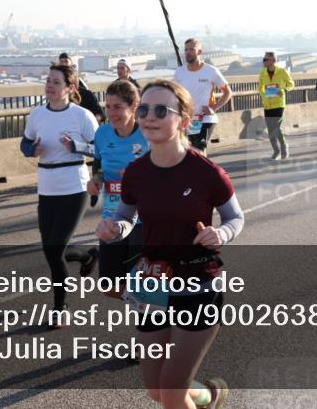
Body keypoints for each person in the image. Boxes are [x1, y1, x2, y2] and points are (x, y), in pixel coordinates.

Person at [97, 79, 244, 409]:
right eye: (145, 109)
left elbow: (236, 218)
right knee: (157, 390)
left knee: (172, 393)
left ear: (185, 120)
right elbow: (125, 217)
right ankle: (209, 395)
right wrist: (114, 229)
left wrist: (220, 234)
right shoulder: (135, 172)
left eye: (162, 110)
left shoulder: (207, 173)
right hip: (152, 285)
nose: (150, 117)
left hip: (197, 284)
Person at [20, 63, 99, 326]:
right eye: (48, 81)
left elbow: (100, 149)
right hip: (47, 185)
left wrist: (76, 146)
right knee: (51, 249)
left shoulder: (81, 116)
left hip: (74, 186)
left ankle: (60, 306)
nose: (49, 86)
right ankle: (87, 256)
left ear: (70, 88)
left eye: (55, 82)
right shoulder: (37, 115)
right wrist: (32, 150)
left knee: (54, 251)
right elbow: (25, 142)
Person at [66, 79, 148, 289]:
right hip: (112, 218)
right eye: (108, 107)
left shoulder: (148, 135)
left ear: (134, 106)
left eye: (118, 107)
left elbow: (165, 175)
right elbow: (100, 168)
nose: (111, 113)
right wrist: (96, 180)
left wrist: (136, 178)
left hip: (144, 220)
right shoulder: (102, 133)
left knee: (142, 286)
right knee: (110, 286)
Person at [173, 38, 232, 155]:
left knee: (199, 151)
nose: (188, 52)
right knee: (187, 151)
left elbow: (227, 92)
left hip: (205, 118)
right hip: (188, 119)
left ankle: (203, 172)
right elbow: (174, 94)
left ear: (200, 52)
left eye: (191, 49)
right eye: (186, 50)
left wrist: (214, 108)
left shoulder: (211, 71)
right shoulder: (179, 72)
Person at [258, 51, 295, 161]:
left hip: (279, 103)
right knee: (270, 130)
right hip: (267, 105)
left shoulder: (282, 71)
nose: (263, 61)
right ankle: (276, 150)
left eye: (266, 59)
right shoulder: (262, 72)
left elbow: (291, 84)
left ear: (273, 61)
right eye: (263, 59)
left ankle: (283, 147)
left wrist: (283, 90)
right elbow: (260, 87)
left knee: (276, 127)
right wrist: (265, 94)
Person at [59, 52, 105, 122]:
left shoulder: (86, 94)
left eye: (66, 61)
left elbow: (101, 115)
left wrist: (89, 122)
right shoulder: (57, 97)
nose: (63, 64)